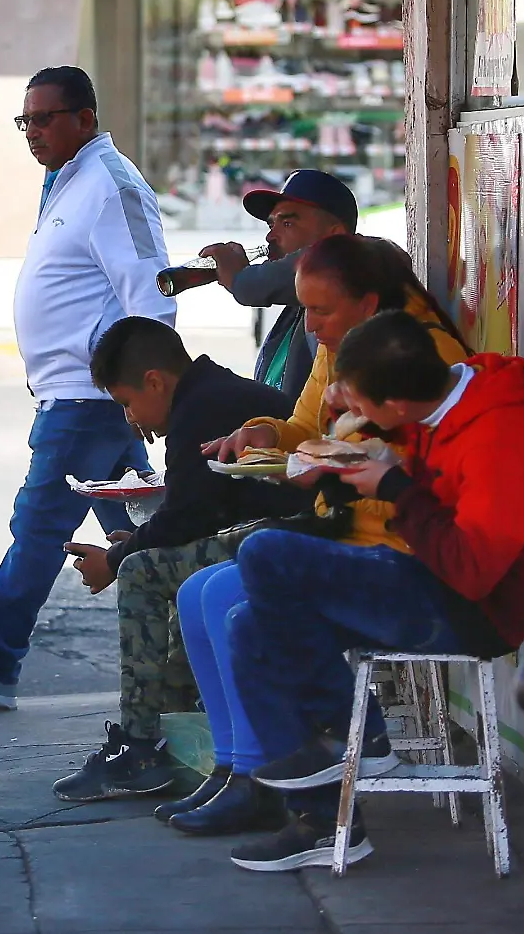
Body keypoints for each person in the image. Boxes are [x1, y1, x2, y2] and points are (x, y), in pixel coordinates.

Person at [225, 311, 524, 872]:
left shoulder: (503, 436)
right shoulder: (442, 399)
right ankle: (319, 822)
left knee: (266, 552)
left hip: (473, 608)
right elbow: (405, 453)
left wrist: (396, 487)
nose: (355, 415)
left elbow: (472, 571)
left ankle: (357, 739)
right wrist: (341, 458)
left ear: (401, 403)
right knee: (249, 625)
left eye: (362, 405)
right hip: (426, 575)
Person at [172, 235, 471, 847]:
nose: (311, 325)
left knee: (235, 604)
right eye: (304, 310)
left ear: (367, 302)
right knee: (198, 591)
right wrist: (261, 432)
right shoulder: (342, 346)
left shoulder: (417, 353)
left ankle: (292, 782)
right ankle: (239, 767)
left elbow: (391, 461)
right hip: (342, 535)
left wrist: (315, 458)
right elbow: (306, 428)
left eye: (322, 311)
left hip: (394, 553)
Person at [0, 65, 173, 710]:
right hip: (78, 397)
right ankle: (184, 659)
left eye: (46, 118)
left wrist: (140, 388)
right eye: (25, 121)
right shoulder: (67, 180)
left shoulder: (111, 185)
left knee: (36, 529)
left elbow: (151, 292)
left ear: (85, 118)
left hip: (92, 401)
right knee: (142, 533)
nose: (33, 132)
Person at [55, 317, 308, 802]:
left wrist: (116, 557)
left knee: (142, 572)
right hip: (274, 531)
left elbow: (187, 520)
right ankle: (171, 735)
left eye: (128, 403)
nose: (131, 420)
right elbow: (194, 514)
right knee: (154, 563)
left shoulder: (202, 407)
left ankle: (141, 745)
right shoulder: (207, 394)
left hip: (299, 534)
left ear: (155, 381)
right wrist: (138, 541)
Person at [198, 169, 356, 399]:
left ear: (335, 236)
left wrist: (240, 278)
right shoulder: (297, 308)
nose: (270, 237)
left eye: (288, 224)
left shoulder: (349, 274)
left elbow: (254, 286)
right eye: (271, 225)